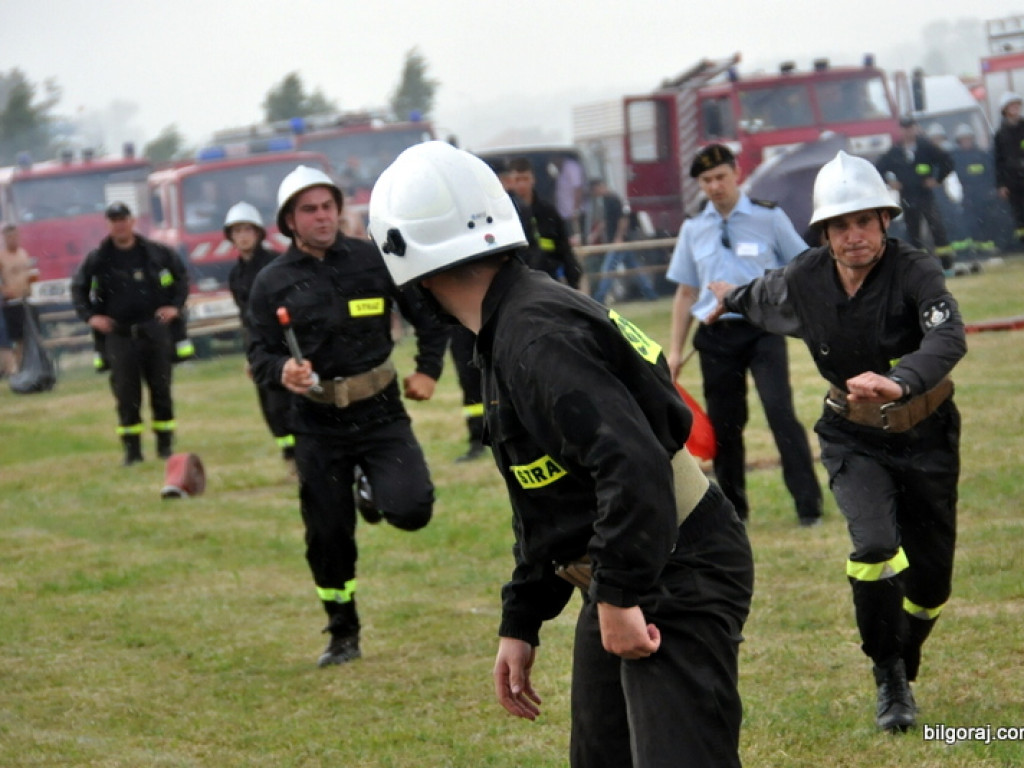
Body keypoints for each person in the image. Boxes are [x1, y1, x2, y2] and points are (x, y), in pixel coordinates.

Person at [369, 140, 754, 768]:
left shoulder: (535, 336)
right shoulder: (505, 330)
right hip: (626, 566)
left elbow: (628, 462)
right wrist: (522, 617)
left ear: (410, 270)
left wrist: (623, 595)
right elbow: (549, 496)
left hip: (674, 564)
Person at [706, 150, 965, 733]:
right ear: (824, 233)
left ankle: (905, 647)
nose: (854, 236)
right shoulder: (803, 280)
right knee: (874, 547)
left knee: (931, 586)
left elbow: (947, 336)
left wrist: (898, 381)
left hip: (928, 435)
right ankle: (888, 676)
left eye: (865, 222)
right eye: (841, 226)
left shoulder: (916, 270)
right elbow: (757, 294)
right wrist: (726, 297)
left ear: (885, 223)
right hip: (853, 438)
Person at [246, 166, 447, 668]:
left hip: (381, 412)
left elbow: (429, 315)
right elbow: (257, 354)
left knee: (413, 509)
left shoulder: (373, 261)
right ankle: (342, 631)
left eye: (328, 207)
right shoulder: (271, 282)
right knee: (328, 535)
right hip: (317, 424)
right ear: (290, 221)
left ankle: (372, 490)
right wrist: (280, 371)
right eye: (310, 210)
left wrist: (427, 371)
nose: (322, 217)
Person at [666, 143, 823, 526]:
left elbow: (801, 268)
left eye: (720, 176)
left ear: (736, 172)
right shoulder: (693, 228)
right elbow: (686, 292)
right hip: (715, 337)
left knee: (780, 413)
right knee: (725, 426)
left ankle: (808, 507)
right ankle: (733, 511)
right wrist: (674, 350)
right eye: (706, 181)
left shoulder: (768, 218)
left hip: (762, 329)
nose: (715, 186)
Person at [70, 202, 189, 466]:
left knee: (161, 389)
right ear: (108, 224)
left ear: (132, 221)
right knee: (126, 395)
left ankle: (165, 445)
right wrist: (91, 317)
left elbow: (181, 277)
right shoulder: (99, 258)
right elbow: (78, 288)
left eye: (123, 218)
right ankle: (132, 451)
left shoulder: (156, 253)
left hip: (154, 331)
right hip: (119, 335)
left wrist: (174, 306)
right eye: (114, 220)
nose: (119, 224)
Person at [224, 201, 296, 473]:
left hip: (284, 343)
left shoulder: (276, 264)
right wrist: (250, 355)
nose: (243, 235)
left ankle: (303, 457)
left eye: (247, 229)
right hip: (259, 347)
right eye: (237, 230)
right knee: (270, 406)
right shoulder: (235, 275)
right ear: (230, 236)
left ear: (258, 233)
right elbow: (246, 319)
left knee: (290, 402)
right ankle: (289, 455)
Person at [876, 116, 956, 270]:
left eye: (911, 128)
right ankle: (920, 266)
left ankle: (947, 263)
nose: (908, 132)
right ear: (900, 130)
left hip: (925, 194)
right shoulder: (895, 151)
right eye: (904, 128)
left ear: (916, 128)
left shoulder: (926, 147)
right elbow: (878, 168)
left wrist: (937, 179)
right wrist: (890, 182)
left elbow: (947, 161)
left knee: (937, 227)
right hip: (907, 196)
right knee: (913, 232)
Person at [507, 157, 584, 290]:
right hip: (519, 281)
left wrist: (573, 275)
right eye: (517, 180)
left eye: (525, 179)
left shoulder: (548, 212)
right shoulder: (507, 214)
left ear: (533, 180)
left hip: (549, 277)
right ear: (511, 182)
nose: (522, 184)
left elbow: (563, 246)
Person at [588, 179, 658, 305]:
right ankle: (649, 292)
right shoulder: (605, 200)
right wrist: (595, 234)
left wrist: (619, 237)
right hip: (616, 240)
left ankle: (599, 297)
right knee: (634, 267)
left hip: (619, 241)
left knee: (608, 269)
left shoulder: (613, 199)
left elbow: (623, 219)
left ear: (599, 187)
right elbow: (606, 221)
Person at [950, 123, 1000, 262]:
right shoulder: (954, 157)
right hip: (965, 198)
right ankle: (967, 252)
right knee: (967, 224)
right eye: (963, 139)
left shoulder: (981, 155)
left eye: (968, 138)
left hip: (982, 197)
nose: (966, 142)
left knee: (984, 223)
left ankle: (985, 249)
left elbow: (990, 174)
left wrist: (990, 190)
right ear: (958, 141)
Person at [0, 223, 39, 372]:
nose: (13, 240)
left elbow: (29, 274)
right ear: (5, 238)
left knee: (27, 336)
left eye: (15, 236)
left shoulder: (23, 254)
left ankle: (29, 366)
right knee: (15, 338)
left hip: (25, 299)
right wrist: (5, 290)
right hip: (10, 303)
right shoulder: (2, 258)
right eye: (9, 237)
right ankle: (17, 369)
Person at [993, 91, 1024, 243]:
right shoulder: (1000, 134)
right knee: (1019, 214)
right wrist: (1001, 184)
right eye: (1012, 106)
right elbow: (999, 161)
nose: (1015, 109)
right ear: (1005, 110)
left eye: (1017, 105)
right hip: (1013, 182)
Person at [555, 152, 586, 243]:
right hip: (564, 214)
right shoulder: (560, 170)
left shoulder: (571, 167)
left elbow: (578, 188)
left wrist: (575, 209)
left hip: (573, 215)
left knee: (576, 240)